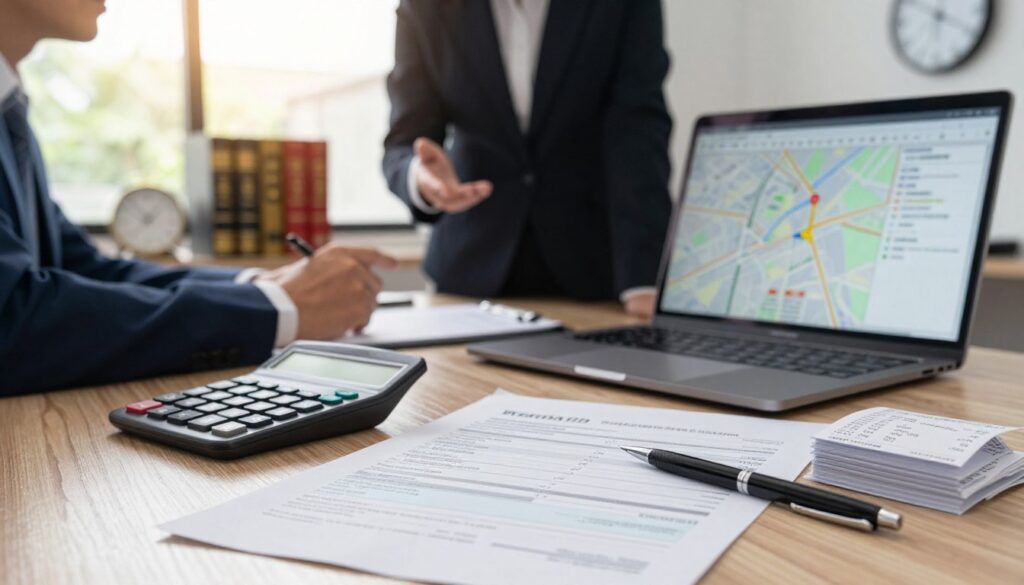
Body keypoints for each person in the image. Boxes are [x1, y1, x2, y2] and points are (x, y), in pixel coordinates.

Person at [0, 0, 396, 396]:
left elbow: (88, 270)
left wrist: (258, 285)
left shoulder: (10, 109)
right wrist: (276, 308)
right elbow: (12, 320)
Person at [383, 0, 672, 317]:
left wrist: (644, 278)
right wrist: (422, 179)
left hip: (593, 269)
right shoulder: (425, 7)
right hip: (468, 274)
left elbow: (638, 134)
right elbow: (405, 142)